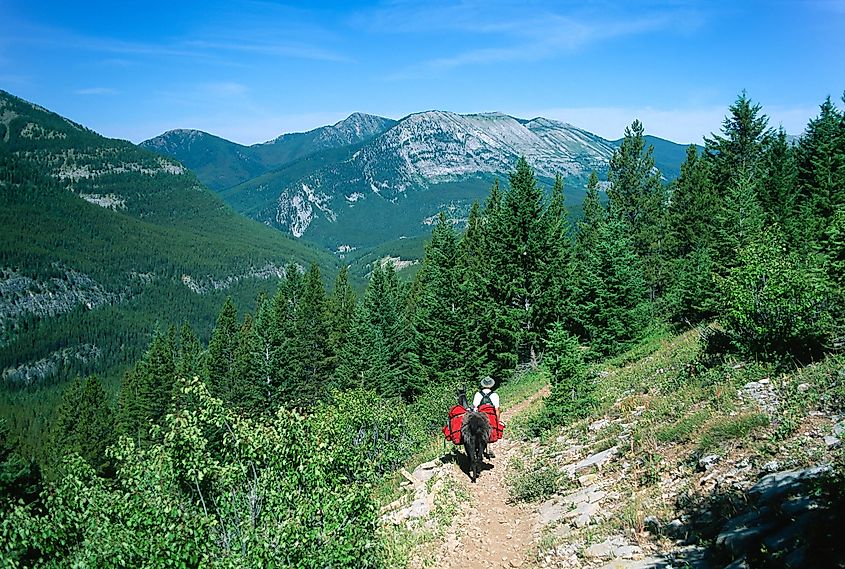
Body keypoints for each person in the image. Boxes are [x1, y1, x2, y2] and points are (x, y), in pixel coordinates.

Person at [472, 376, 500, 458]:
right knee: (492, 429)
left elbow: (475, 407)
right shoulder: (495, 395)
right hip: (490, 416)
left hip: (480, 415)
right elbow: (497, 409)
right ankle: (490, 448)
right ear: (491, 385)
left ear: (483, 385)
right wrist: (497, 420)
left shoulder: (478, 394)